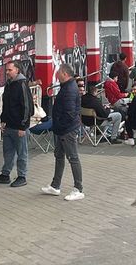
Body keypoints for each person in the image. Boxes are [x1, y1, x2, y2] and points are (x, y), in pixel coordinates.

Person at [40, 65, 84, 201]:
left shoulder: (69, 89)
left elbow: (69, 113)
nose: (57, 74)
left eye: (58, 72)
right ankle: (55, 185)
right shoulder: (67, 87)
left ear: (64, 74)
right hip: (62, 129)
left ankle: (78, 189)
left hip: (67, 130)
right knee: (59, 156)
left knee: (73, 157)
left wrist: (61, 126)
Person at [0, 61, 33, 187]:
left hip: (19, 127)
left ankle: (22, 176)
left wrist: (23, 126)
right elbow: (6, 105)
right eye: (7, 70)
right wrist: (3, 120)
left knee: (22, 153)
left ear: (17, 70)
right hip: (9, 125)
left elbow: (27, 107)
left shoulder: (22, 85)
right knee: (8, 152)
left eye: (10, 70)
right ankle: (5, 174)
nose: (7, 72)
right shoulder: (9, 85)